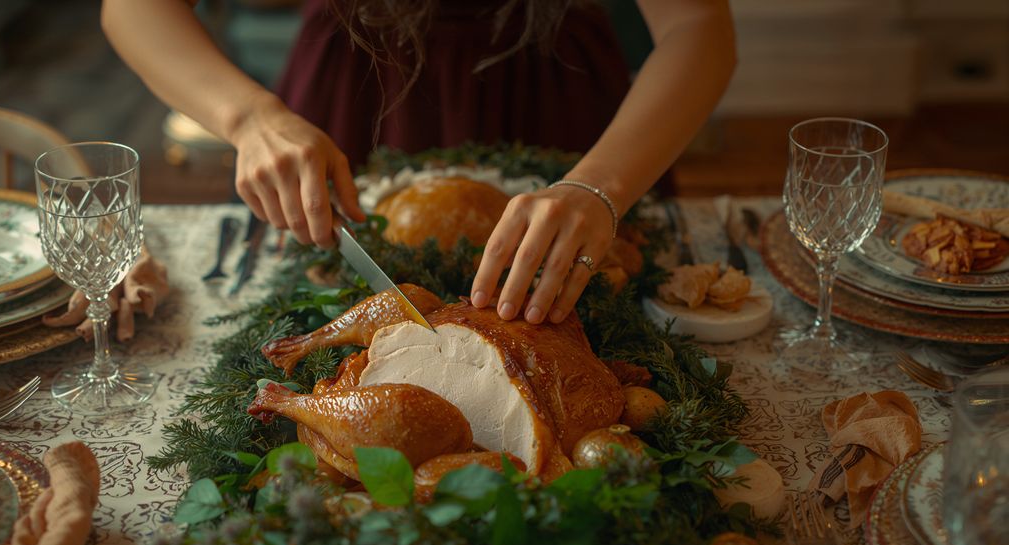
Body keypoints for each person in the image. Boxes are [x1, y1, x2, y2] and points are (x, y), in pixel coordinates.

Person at [101, 0, 736, 325]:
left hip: (561, 106)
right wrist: (249, 118)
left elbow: (699, 24)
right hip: (355, 96)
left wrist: (600, 184)